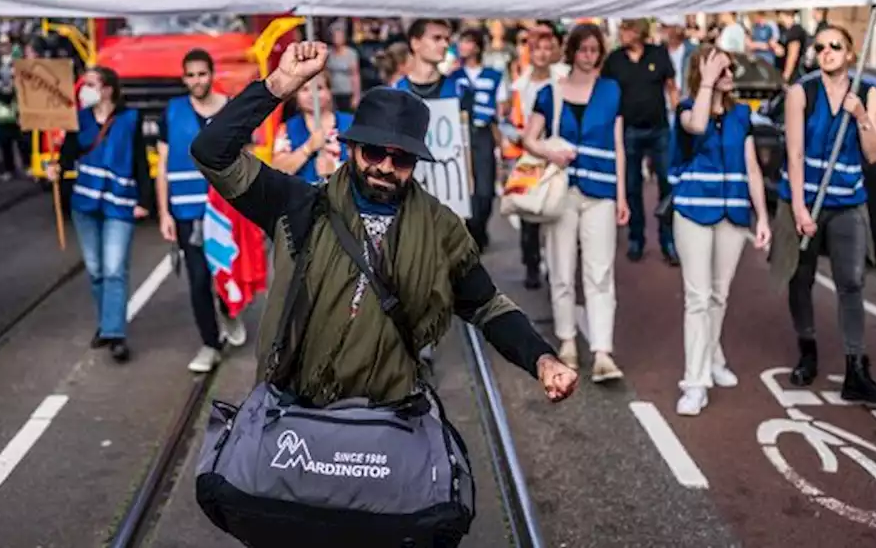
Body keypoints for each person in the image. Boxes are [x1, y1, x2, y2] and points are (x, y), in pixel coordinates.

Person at [190, 39, 578, 411]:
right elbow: (212, 152)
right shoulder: (301, 206)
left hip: (388, 420)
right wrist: (277, 86)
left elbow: (488, 306)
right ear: (353, 148)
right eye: (375, 152)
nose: (386, 167)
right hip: (297, 410)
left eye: (402, 158)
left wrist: (541, 360)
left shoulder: (440, 229)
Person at [772, 26, 876, 405]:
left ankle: (856, 368)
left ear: (850, 53)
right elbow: (794, 154)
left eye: (835, 46)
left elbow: (873, 153)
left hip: (848, 202)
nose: (826, 52)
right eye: (819, 47)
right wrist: (801, 209)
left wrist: (859, 115)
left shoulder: (866, 93)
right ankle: (808, 350)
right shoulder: (800, 92)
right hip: (804, 202)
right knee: (799, 276)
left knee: (851, 282)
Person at [667, 46, 772, 416]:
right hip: (694, 210)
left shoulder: (741, 114)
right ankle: (694, 383)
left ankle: (712, 356)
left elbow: (752, 168)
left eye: (730, 66)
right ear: (703, 72)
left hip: (733, 213)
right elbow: (695, 126)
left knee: (719, 294)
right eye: (721, 66)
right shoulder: (686, 108)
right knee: (697, 297)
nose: (730, 71)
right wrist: (707, 82)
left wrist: (761, 217)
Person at [523, 24, 630, 382]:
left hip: (601, 190)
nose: (589, 56)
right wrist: (551, 152)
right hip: (561, 191)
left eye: (594, 50)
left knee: (600, 273)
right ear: (572, 52)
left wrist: (622, 196)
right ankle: (567, 341)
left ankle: (603, 351)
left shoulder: (612, 90)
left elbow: (618, 146)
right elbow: (529, 139)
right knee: (562, 269)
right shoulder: (549, 92)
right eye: (583, 49)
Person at [48, 67, 151, 362]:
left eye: (90, 84)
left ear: (107, 89)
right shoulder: (78, 121)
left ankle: (115, 333)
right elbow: (67, 157)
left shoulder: (130, 120)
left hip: (119, 204)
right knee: (95, 270)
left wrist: (144, 200)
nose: (84, 89)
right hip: (86, 205)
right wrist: (55, 169)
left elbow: (140, 161)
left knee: (114, 269)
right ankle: (107, 323)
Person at [157, 49, 246, 374]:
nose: (197, 80)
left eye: (202, 74)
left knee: (227, 271)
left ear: (212, 74)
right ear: (184, 79)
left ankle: (229, 310)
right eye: (190, 75)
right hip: (187, 211)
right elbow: (163, 165)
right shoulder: (172, 111)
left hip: (226, 209)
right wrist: (164, 213)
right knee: (197, 280)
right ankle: (210, 343)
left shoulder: (231, 109)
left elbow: (245, 159)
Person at [602, 19, 679, 265]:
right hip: (629, 130)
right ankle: (637, 238)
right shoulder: (614, 60)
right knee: (632, 186)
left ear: (639, 32)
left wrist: (681, 117)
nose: (622, 33)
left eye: (627, 29)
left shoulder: (658, 54)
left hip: (659, 129)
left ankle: (668, 240)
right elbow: (605, 91)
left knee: (667, 183)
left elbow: (671, 88)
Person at [503, 22, 566, 290]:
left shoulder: (563, 78)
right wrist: (518, 138)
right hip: (525, 156)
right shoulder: (519, 85)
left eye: (547, 48)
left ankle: (556, 265)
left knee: (556, 208)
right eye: (536, 48)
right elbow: (506, 119)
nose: (541, 53)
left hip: (556, 151)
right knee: (528, 209)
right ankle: (532, 264)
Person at [449, 28, 508, 252]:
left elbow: (502, 111)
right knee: (465, 188)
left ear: (477, 46)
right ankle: (472, 232)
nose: (462, 46)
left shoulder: (494, 76)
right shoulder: (453, 77)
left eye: (466, 42)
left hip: (484, 134)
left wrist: (501, 142)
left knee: (485, 190)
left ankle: (481, 227)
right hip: (459, 136)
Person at [272, 73, 354, 182]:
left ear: (329, 92)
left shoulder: (351, 123)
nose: (312, 95)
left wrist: (335, 169)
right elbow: (277, 171)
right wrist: (308, 148)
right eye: (305, 89)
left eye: (319, 88)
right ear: (296, 95)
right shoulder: (287, 128)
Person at [324, 21, 361, 112]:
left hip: (347, 92)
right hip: (333, 92)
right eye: (334, 36)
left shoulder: (351, 53)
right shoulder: (328, 53)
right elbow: (325, 73)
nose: (336, 39)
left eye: (339, 36)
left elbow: (355, 75)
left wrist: (356, 96)